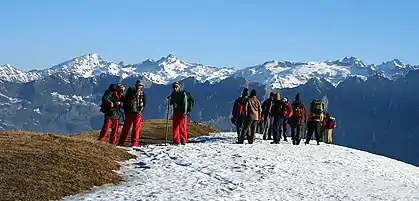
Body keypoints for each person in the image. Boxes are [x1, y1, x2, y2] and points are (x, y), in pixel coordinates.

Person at [118, 80, 146, 147]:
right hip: (138, 113)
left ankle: (121, 143)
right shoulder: (142, 93)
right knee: (136, 129)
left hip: (129, 113)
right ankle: (134, 144)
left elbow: (125, 101)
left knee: (126, 128)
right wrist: (141, 111)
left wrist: (125, 110)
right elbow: (144, 103)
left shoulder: (130, 91)